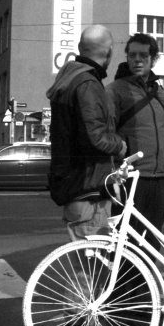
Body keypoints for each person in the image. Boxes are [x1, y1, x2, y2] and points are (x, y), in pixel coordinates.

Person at [46, 25, 127, 241]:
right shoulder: (87, 84)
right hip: (88, 189)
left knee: (86, 264)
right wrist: (119, 145)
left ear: (80, 48)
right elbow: (95, 137)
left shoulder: (70, 79)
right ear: (109, 52)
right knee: (90, 268)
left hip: (75, 185)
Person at [106, 33, 164, 252]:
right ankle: (121, 288)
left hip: (157, 180)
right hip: (130, 179)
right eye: (132, 55)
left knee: (152, 243)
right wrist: (112, 175)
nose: (137, 60)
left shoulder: (161, 94)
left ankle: (145, 288)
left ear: (153, 59)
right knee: (124, 244)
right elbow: (107, 133)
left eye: (143, 55)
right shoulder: (115, 90)